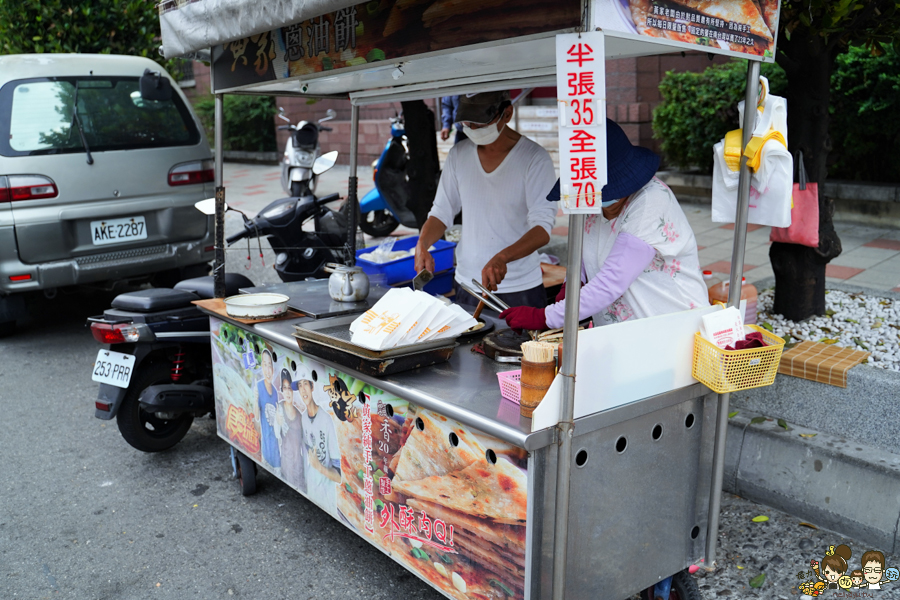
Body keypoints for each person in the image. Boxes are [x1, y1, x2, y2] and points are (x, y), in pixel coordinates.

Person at [498, 119, 710, 331]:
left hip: (672, 327)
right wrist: (571, 286)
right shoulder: (590, 205)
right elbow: (582, 257)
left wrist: (544, 317)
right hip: (624, 335)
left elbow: (611, 281)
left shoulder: (651, 201)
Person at [416, 91, 557, 309]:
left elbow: (542, 227)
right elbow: (441, 211)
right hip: (467, 284)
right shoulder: (458, 155)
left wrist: (503, 257)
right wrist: (423, 243)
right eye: (467, 123)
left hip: (518, 289)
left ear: (507, 113)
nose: (472, 128)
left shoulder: (534, 159)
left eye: (480, 123)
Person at [298, 369, 342, 515]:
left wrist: (319, 467)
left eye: (306, 384)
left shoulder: (326, 420)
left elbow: (338, 475)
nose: (303, 389)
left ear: (312, 387)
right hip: (311, 490)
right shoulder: (303, 418)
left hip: (327, 497)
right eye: (299, 385)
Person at [275, 366, 306, 493]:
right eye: (285, 388)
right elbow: (277, 435)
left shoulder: (299, 415)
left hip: (299, 465)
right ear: (281, 390)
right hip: (286, 464)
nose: (287, 392)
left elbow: (303, 443)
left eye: (290, 388)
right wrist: (279, 423)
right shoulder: (279, 408)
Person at [256, 349, 281, 475]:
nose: (267, 370)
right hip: (266, 449)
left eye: (270, 365)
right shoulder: (258, 386)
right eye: (265, 365)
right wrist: (255, 401)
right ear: (261, 367)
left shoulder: (276, 392)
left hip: (277, 452)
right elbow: (256, 416)